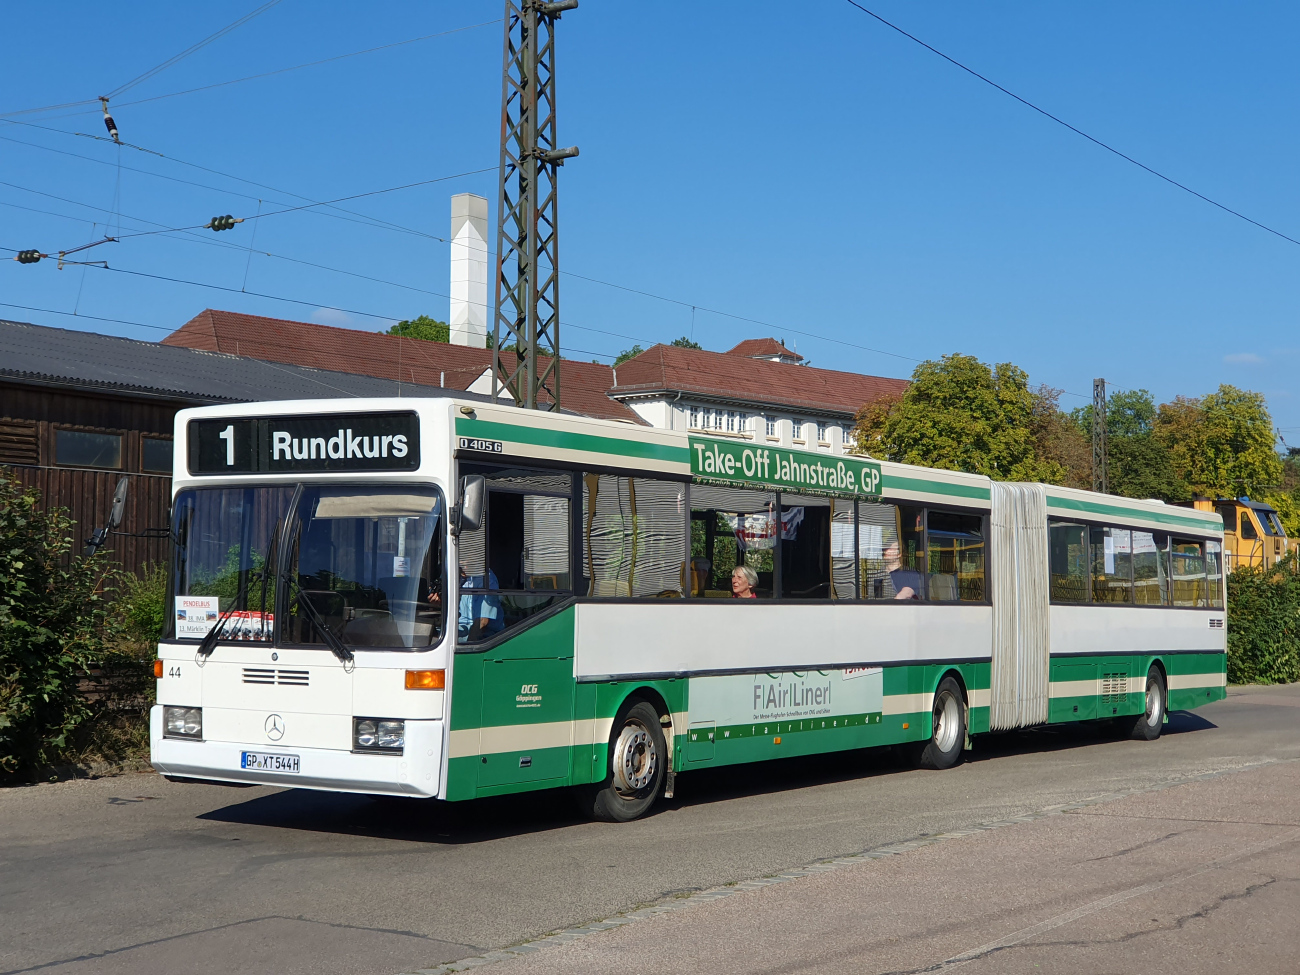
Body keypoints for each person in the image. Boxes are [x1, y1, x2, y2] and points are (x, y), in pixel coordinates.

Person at [429, 565, 504, 641]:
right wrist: (438, 599)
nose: (462, 563)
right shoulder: (451, 569)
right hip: (455, 626)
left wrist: (470, 647)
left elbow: (482, 622)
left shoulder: (487, 579)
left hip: (481, 633)